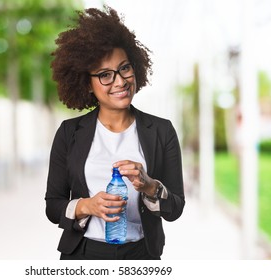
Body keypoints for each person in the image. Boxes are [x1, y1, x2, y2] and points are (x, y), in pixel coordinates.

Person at [45, 6, 185, 260]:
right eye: (105, 75)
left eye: (124, 68)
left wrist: (150, 186)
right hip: (83, 254)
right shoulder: (69, 133)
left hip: (141, 255)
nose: (119, 81)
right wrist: (87, 205)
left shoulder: (162, 131)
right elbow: (53, 206)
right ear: (87, 83)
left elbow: (175, 209)